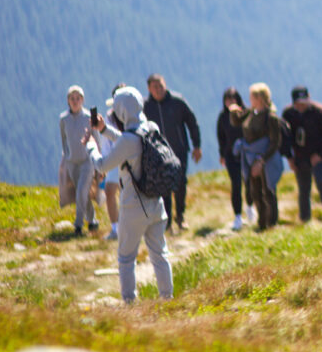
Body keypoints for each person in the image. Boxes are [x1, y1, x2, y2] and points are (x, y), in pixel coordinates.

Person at [83, 86, 173, 303]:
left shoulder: (127, 141)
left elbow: (103, 164)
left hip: (133, 205)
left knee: (126, 258)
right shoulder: (151, 127)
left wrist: (91, 146)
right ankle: (167, 298)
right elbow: (130, 141)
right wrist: (105, 129)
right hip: (156, 201)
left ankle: (130, 303)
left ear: (122, 110)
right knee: (160, 254)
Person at [143, 74, 201, 231]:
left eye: (161, 85)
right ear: (149, 89)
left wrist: (197, 145)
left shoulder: (177, 101)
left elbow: (192, 122)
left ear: (165, 84)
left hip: (179, 150)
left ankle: (180, 216)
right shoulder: (146, 106)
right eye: (155, 87)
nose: (159, 89)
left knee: (180, 183)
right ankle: (167, 222)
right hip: (158, 153)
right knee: (163, 185)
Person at [229, 83, 286, 231]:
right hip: (250, 157)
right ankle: (262, 224)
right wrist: (233, 112)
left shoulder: (271, 117)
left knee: (268, 191)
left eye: (252, 97)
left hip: (265, 158)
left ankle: (271, 224)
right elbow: (237, 122)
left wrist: (262, 160)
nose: (249, 100)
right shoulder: (251, 112)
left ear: (259, 98)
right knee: (255, 192)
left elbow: (275, 142)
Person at [283, 85, 322, 222]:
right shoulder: (288, 114)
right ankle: (305, 219)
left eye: (304, 102)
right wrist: (289, 157)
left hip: (319, 154)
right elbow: (284, 137)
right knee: (303, 187)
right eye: (299, 103)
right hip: (300, 155)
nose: (302, 106)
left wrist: (320, 154)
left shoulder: (320, 112)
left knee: (320, 180)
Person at [58, 85, 97, 236]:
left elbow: (97, 139)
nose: (75, 101)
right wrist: (66, 156)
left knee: (81, 191)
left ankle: (78, 225)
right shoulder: (64, 119)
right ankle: (92, 220)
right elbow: (63, 139)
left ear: (83, 100)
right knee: (82, 193)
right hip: (72, 162)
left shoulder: (88, 117)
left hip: (87, 161)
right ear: (68, 100)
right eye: (72, 98)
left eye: (78, 98)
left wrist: (98, 161)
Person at [215, 87, 249, 231]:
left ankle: (251, 208)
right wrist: (222, 154)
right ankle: (238, 216)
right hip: (230, 154)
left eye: (232, 98)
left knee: (249, 182)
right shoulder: (223, 117)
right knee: (236, 184)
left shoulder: (245, 113)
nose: (230, 101)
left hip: (246, 154)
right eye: (227, 99)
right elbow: (221, 137)